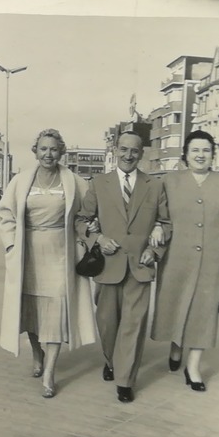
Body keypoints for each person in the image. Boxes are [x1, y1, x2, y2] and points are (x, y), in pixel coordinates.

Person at [0, 130, 98, 399]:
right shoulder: (20, 181)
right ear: (35, 151)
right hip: (27, 254)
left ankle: (50, 373)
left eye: (53, 149)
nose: (48, 154)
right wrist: (10, 245)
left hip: (60, 255)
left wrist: (85, 238)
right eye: (43, 149)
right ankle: (37, 354)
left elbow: (88, 213)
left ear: (61, 152)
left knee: (54, 315)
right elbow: (5, 215)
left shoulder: (74, 182)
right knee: (31, 312)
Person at [75, 131, 172, 403]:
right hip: (108, 265)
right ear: (116, 150)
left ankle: (125, 380)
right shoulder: (99, 183)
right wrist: (98, 238)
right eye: (124, 149)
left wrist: (154, 250)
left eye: (134, 151)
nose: (129, 155)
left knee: (134, 325)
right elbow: (82, 220)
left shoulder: (154, 185)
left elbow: (166, 223)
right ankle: (111, 359)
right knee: (107, 324)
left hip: (140, 267)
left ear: (141, 154)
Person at [152, 129, 219, 391]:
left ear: (213, 155)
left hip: (212, 261)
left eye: (206, 150)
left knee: (204, 313)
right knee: (178, 305)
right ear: (186, 155)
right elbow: (159, 215)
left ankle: (193, 367)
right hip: (176, 257)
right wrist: (157, 227)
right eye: (195, 150)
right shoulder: (169, 182)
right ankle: (176, 346)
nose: (200, 155)